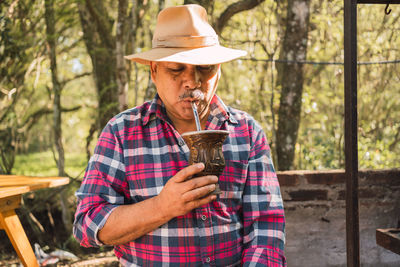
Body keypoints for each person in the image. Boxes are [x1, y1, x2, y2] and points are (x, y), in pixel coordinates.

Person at [73, 4, 286, 266]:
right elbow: (87, 225)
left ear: (218, 70)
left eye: (205, 69)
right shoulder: (122, 132)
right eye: (176, 70)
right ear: (154, 71)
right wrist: (162, 207)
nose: (192, 81)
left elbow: (266, 227)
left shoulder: (246, 131)